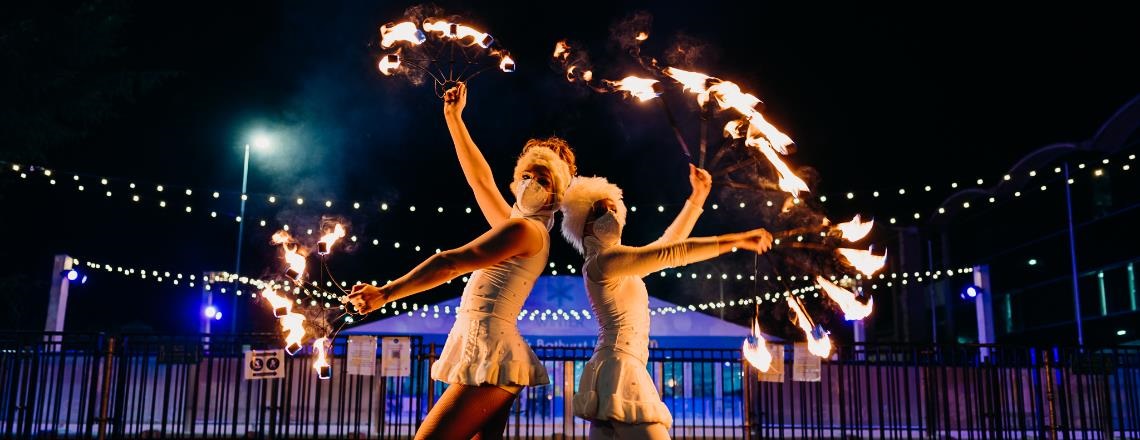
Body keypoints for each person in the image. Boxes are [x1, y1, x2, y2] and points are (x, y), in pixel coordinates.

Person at [347, 82, 576, 439]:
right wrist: (455, 119)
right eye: (525, 176)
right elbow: (481, 181)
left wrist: (386, 293)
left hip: (491, 352)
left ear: (556, 193)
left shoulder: (525, 232)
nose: (529, 183)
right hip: (490, 353)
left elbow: (452, 262)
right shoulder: (519, 228)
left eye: (541, 179)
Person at [559, 168, 773, 439]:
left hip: (616, 368)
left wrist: (697, 197)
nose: (610, 215)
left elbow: (669, 243)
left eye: (614, 209)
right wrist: (738, 240)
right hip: (619, 368)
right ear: (583, 224)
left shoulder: (617, 265)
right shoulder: (603, 263)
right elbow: (672, 253)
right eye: (601, 211)